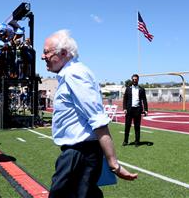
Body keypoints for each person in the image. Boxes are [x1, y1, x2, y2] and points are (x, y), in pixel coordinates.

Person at [41, 29, 137, 198]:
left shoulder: (75, 74)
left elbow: (97, 119)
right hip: (79, 153)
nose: (43, 57)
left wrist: (113, 163)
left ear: (63, 53)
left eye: (46, 52)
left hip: (79, 154)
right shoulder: (70, 74)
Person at [122, 74, 148, 147]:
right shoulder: (128, 88)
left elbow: (144, 100)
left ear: (138, 80)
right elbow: (125, 99)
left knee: (137, 127)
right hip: (129, 110)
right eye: (133, 79)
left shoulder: (141, 89)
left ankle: (137, 141)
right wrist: (124, 108)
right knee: (127, 126)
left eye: (136, 79)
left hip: (138, 110)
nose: (134, 80)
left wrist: (146, 109)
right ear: (132, 80)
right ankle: (125, 141)